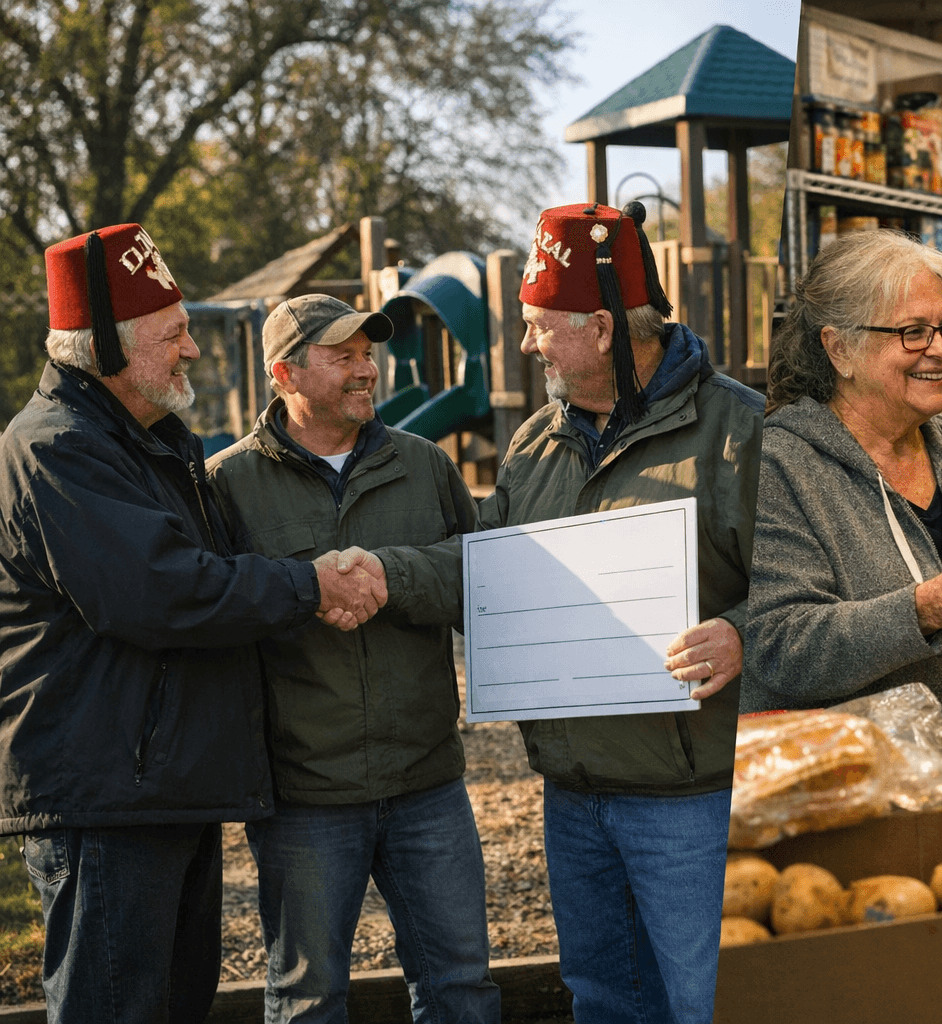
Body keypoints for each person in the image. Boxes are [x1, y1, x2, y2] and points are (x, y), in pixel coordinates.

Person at [0, 225, 386, 1024]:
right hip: (104, 802)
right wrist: (310, 585)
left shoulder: (144, 447)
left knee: (174, 1003)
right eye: (174, 334)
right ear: (108, 345)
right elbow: (163, 592)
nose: (193, 353)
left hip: (157, 790)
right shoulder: (57, 451)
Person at [474, 201, 760, 1024]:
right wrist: (370, 575)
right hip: (574, 799)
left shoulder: (740, 433)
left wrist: (745, 632)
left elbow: (811, 589)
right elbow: (481, 569)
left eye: (538, 326)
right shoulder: (537, 444)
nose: (527, 345)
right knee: (602, 1000)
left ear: (600, 329)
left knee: (704, 1000)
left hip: (692, 803)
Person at [206, 294, 499, 1023]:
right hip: (304, 797)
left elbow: (485, 575)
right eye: (343, 358)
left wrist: (389, 575)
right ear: (287, 374)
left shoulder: (426, 465)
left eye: (367, 354)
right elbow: (215, 611)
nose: (367, 370)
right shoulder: (223, 485)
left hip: (428, 784)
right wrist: (305, 594)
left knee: (460, 987)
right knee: (306, 1001)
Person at [740, 229, 942, 740]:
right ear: (839, 348)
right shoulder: (777, 469)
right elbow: (778, 647)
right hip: (858, 797)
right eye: (914, 332)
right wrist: (922, 611)